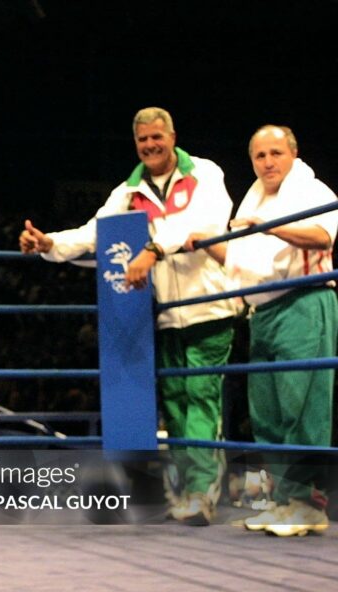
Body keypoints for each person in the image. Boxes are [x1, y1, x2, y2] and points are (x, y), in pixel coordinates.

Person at [18, 107, 239, 526]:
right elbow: (93, 233)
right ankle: (186, 490)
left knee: (201, 398)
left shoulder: (205, 174)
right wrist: (49, 243)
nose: (151, 146)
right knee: (175, 404)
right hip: (161, 313)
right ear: (136, 144)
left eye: (157, 137)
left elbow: (204, 223)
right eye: (143, 140)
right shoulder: (127, 190)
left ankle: (202, 492)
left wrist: (153, 250)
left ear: (172, 137)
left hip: (208, 304)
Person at [194, 125, 337, 537]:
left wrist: (271, 226)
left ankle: (308, 505)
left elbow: (322, 235)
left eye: (275, 153)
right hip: (264, 313)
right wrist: (207, 242)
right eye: (259, 155)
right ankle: (281, 501)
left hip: (304, 303)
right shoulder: (254, 201)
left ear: (293, 153)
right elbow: (245, 261)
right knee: (267, 413)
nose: (268, 162)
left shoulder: (314, 192)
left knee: (302, 406)